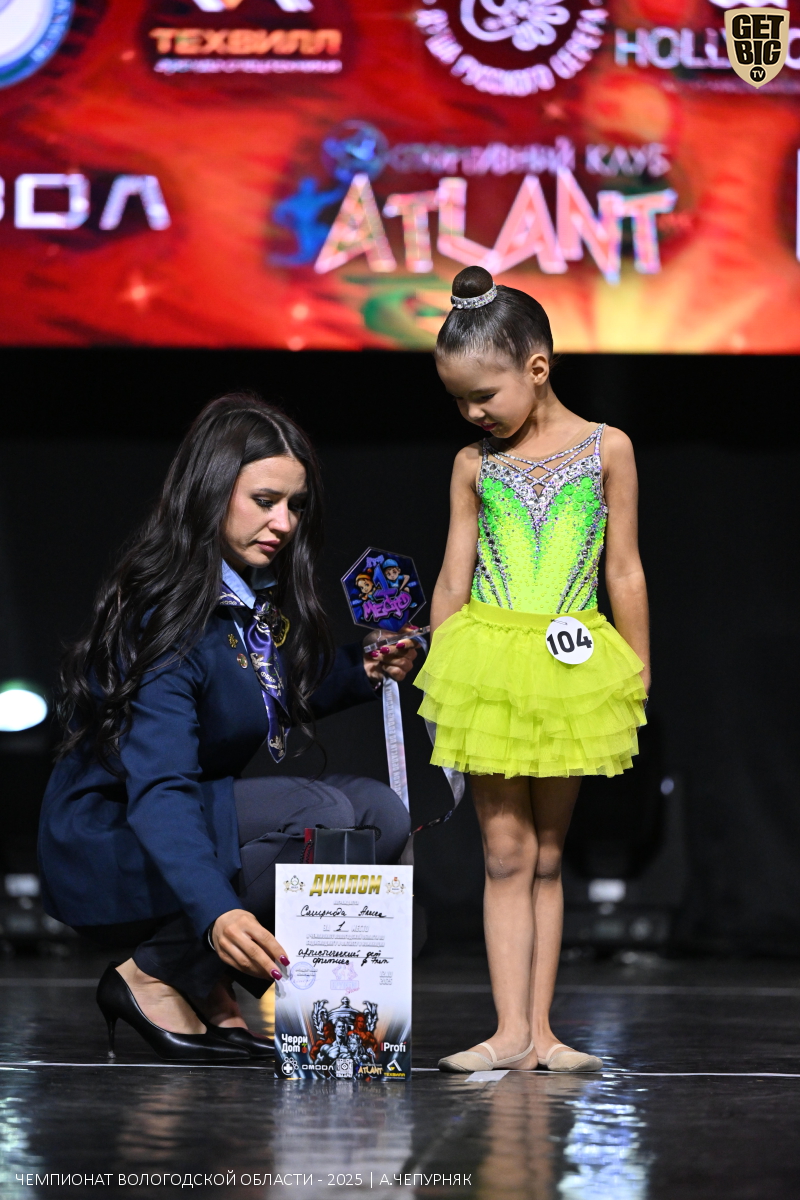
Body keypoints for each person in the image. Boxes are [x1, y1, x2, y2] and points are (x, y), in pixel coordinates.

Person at [39, 393, 416, 1063]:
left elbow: (261, 693)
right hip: (115, 838)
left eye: (295, 505)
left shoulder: (244, 596)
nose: (284, 522)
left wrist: (362, 668)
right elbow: (160, 790)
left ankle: (209, 981)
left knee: (380, 813)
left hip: (187, 818)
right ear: (212, 493)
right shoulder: (167, 618)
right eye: (265, 500)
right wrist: (216, 913)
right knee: (324, 811)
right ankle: (153, 972)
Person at [415, 267, 649, 1074]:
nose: (472, 413)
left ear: (537, 368)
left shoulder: (608, 448)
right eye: (459, 401)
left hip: (569, 663)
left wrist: (637, 665)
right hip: (490, 661)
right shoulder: (473, 465)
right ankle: (507, 1030)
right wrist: (443, 671)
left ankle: (542, 1034)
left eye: (483, 395)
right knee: (505, 853)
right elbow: (453, 576)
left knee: (548, 853)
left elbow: (624, 569)